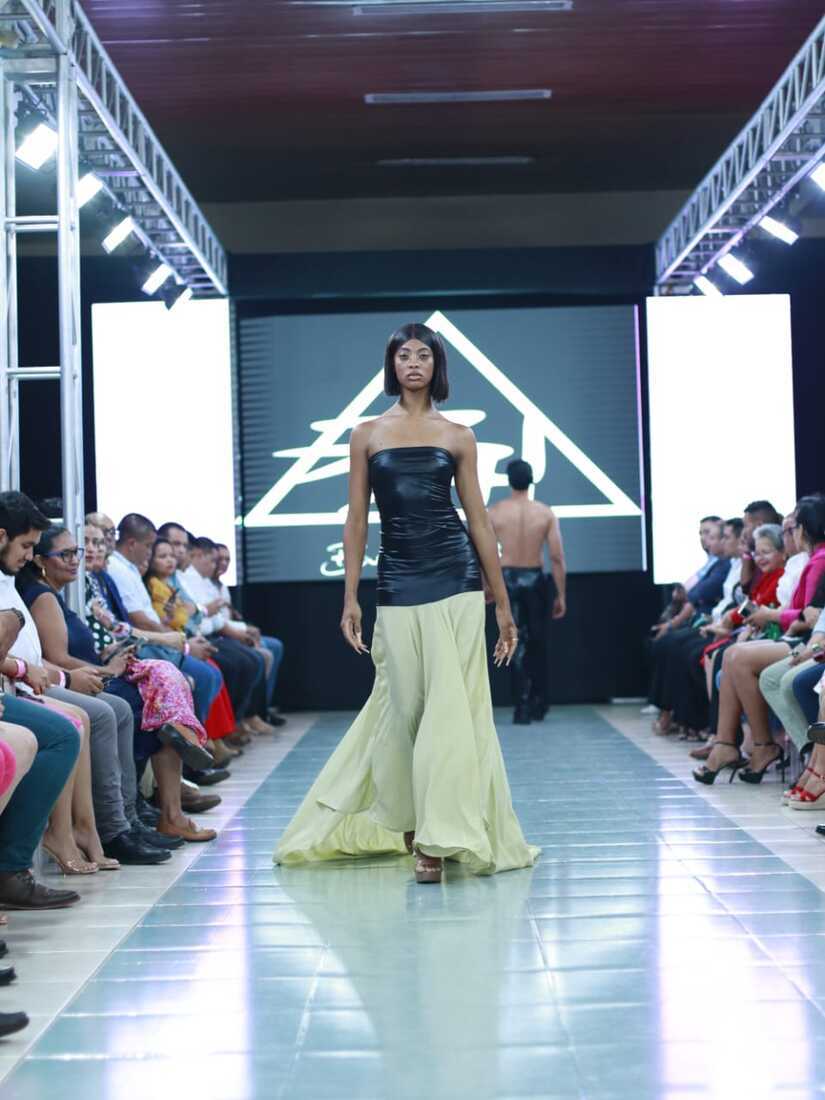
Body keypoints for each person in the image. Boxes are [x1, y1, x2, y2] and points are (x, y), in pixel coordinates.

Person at [274, 321, 540, 884]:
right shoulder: (366, 434)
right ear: (391, 365)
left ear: (436, 365)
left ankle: (436, 838)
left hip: (457, 577)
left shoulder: (458, 435)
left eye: (423, 354)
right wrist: (350, 595)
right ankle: (413, 818)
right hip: (397, 577)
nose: (413, 363)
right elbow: (356, 518)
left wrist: (500, 601)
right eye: (403, 355)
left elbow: (477, 518)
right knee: (403, 709)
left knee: (451, 710)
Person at [23, 527, 216, 844]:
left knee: (164, 683)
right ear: (40, 560)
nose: (76, 559)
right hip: (83, 680)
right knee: (153, 704)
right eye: (66, 554)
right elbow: (58, 658)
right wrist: (107, 668)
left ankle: (161, 797)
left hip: (94, 672)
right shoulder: (44, 597)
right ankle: (151, 806)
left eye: (77, 552)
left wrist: (109, 658)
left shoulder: (65, 592)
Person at [693, 495, 825, 786]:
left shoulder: (819, 560)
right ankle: (728, 743)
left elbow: (809, 616)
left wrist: (770, 615)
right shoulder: (808, 560)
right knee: (730, 655)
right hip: (796, 634)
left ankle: (760, 744)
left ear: (804, 529)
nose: (788, 534)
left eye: (791, 529)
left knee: (736, 657)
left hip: (804, 638)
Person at [487, 458, 566, 724]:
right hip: (534, 580)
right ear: (531, 480)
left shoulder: (495, 512)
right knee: (537, 642)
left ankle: (521, 707)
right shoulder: (544, 513)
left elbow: (485, 553)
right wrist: (561, 594)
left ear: (509, 481)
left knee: (514, 642)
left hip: (507, 579)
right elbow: (556, 557)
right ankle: (538, 703)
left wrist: (487, 586)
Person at [214, 543, 286, 726]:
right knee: (261, 655)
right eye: (219, 559)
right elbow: (217, 623)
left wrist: (244, 627)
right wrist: (243, 631)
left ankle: (263, 708)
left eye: (227, 559)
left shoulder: (221, 586)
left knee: (274, 646)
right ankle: (248, 714)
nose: (223, 563)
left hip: (230, 631)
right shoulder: (200, 584)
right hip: (219, 636)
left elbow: (226, 617)